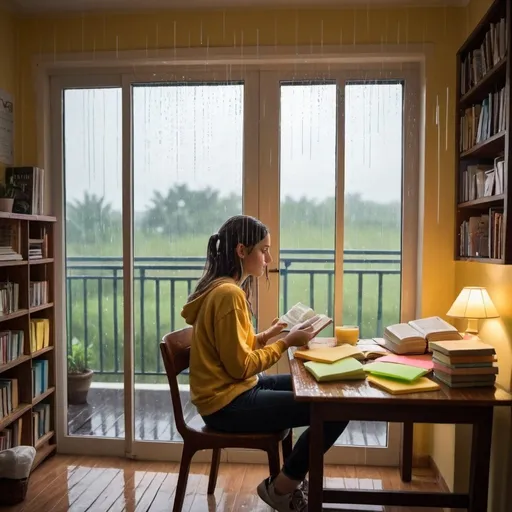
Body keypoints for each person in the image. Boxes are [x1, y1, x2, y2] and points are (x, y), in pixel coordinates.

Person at [181, 215, 348, 512]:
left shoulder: (223, 288)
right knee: (334, 409)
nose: (269, 258)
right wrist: (285, 343)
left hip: (233, 391)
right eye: (264, 250)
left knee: (318, 386)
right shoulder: (229, 294)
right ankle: (282, 487)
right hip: (226, 405)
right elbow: (240, 367)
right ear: (242, 251)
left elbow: (231, 352)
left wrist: (265, 336)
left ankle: (287, 480)